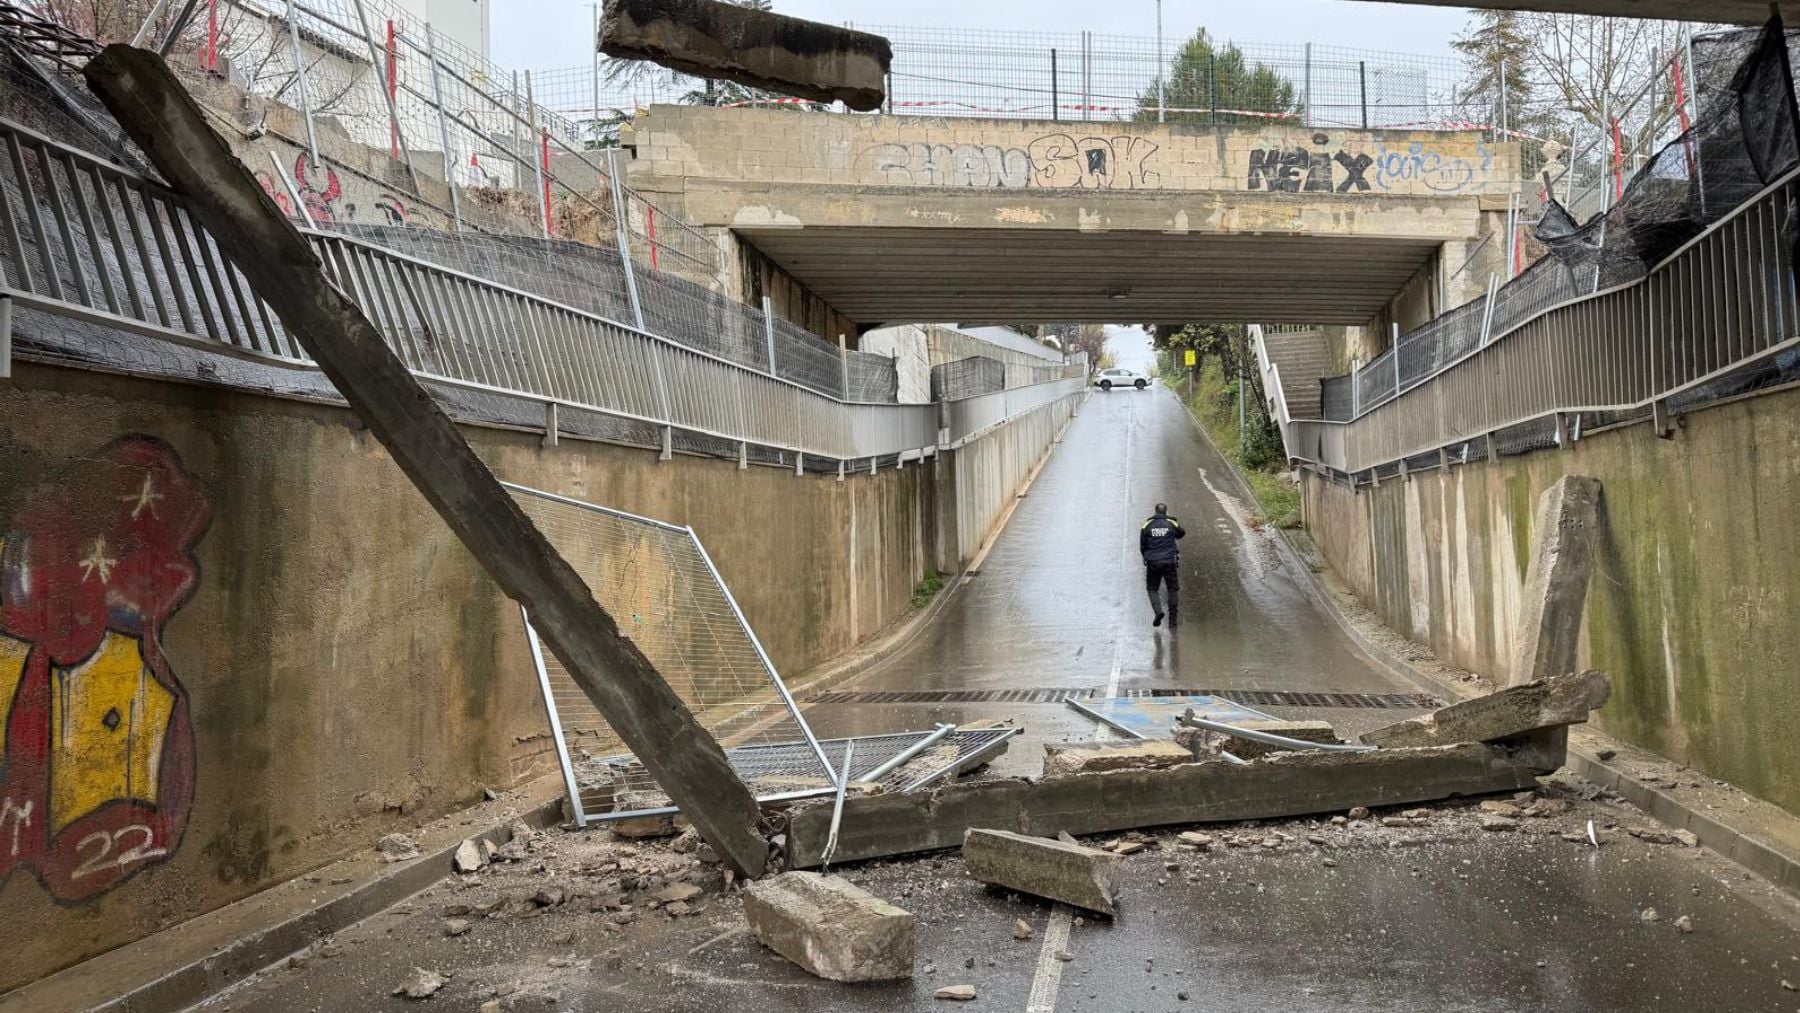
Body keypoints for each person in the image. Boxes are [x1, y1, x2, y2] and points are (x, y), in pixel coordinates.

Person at [1140, 502, 1185, 628]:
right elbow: (1181, 533)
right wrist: (1172, 521)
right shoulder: (1170, 523)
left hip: (1153, 563)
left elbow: (1142, 545)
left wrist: (1146, 557)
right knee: (1172, 589)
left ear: (1155, 511)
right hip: (1169, 562)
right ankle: (1172, 621)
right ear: (1166, 511)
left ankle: (1158, 612)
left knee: (1152, 589)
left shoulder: (1147, 524)